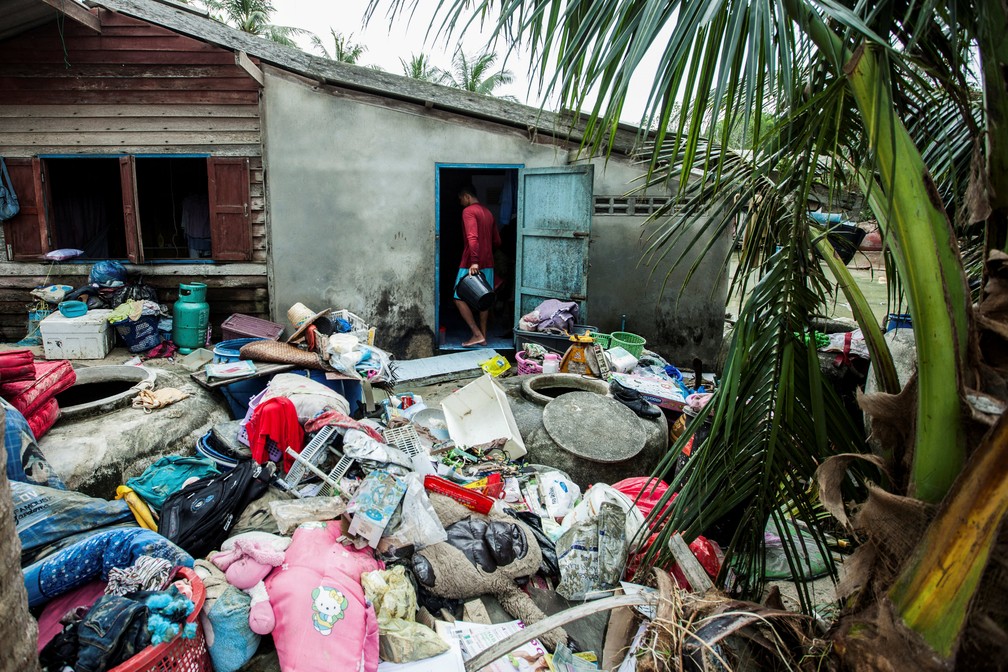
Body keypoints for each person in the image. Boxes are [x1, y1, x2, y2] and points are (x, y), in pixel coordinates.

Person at [455, 185, 501, 347]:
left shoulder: (468, 212)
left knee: (457, 297)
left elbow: (472, 237)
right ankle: (483, 337)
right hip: (488, 261)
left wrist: (474, 261)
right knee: (484, 297)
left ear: (466, 196)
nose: (461, 203)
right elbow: (497, 241)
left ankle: (476, 334)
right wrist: (486, 251)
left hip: (471, 262)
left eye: (461, 199)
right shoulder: (488, 212)